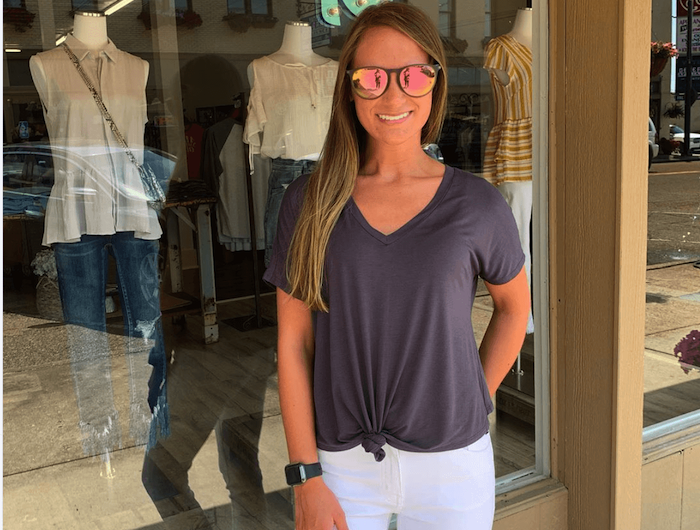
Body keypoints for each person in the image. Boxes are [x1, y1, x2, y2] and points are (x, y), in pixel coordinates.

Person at [263, 3, 531, 530]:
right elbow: (293, 343)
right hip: (341, 468)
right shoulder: (310, 202)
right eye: (371, 77)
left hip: (454, 466)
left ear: (434, 81)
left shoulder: (476, 204)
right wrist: (306, 476)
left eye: (412, 76)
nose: (394, 96)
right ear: (348, 87)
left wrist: (473, 396)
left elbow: (512, 309)